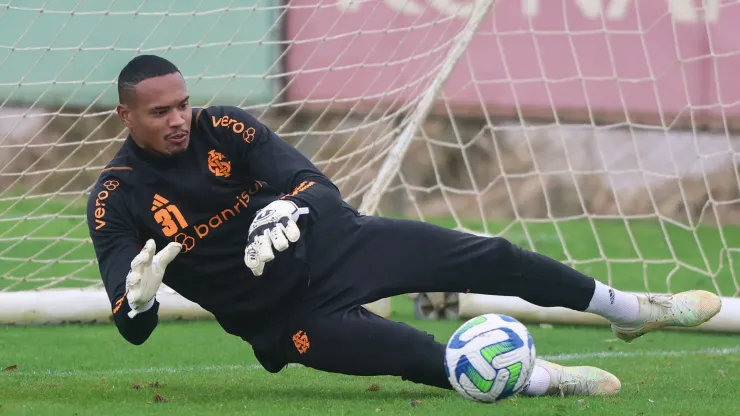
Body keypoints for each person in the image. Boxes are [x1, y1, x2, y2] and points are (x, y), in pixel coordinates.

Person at [87, 54, 722, 399]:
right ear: (125, 115)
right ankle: (545, 381)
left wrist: (290, 208)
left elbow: (319, 189)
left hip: (337, 247)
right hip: (284, 320)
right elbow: (131, 326)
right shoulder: (115, 200)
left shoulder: (224, 127)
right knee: (419, 357)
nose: (178, 119)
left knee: (490, 254)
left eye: (183, 103)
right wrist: (138, 304)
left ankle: (629, 308)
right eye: (160, 111)